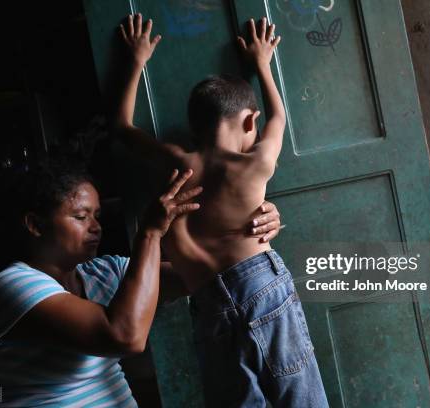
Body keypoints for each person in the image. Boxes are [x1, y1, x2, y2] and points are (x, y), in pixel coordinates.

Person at [116, 14, 329, 407]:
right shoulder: (256, 163)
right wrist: (263, 64)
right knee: (300, 397)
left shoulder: (173, 162)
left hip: (207, 300)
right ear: (251, 121)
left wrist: (137, 60)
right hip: (260, 286)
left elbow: (123, 126)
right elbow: (279, 118)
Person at [0, 159, 282, 407]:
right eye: (81, 217)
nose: (96, 228)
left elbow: (208, 276)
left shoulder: (103, 272)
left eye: (97, 216)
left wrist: (251, 227)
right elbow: (125, 336)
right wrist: (149, 234)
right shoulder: (13, 286)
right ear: (36, 225)